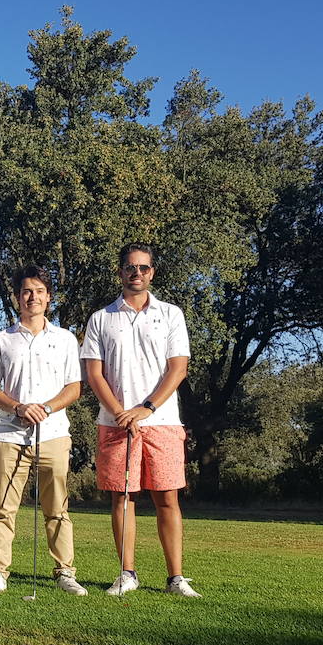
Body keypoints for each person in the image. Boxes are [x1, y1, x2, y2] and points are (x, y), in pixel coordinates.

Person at [81, 243, 200, 597]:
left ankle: (176, 578)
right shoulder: (101, 318)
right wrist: (120, 412)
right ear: (120, 272)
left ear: (152, 272)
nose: (137, 273)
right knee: (123, 497)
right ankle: (127, 573)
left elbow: (178, 369)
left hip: (162, 421)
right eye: (131, 268)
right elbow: (93, 373)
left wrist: (146, 408)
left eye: (144, 268)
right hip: (115, 423)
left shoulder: (171, 314)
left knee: (167, 498)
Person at [0, 266, 87, 596]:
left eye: (39, 291)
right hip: (10, 434)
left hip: (53, 433)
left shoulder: (65, 339)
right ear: (17, 298)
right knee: (3, 509)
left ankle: (65, 571)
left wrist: (46, 408)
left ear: (48, 297)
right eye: (26, 291)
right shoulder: (1, 340)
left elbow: (74, 387)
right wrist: (19, 407)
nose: (32, 297)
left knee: (57, 508)